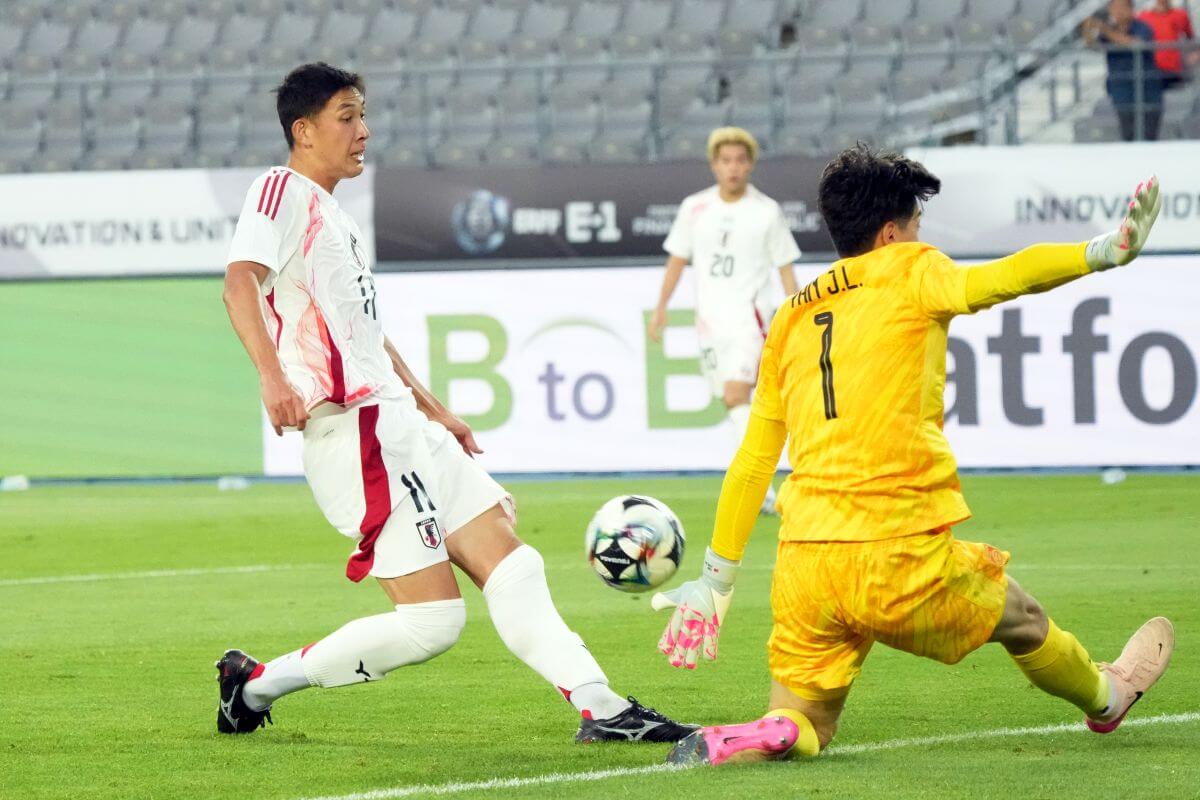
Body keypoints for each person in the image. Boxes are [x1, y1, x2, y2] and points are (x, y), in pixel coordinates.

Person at [217, 62, 695, 744]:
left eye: (362, 115)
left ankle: (603, 707)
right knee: (433, 623)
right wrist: (271, 377)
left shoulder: (336, 216)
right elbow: (239, 285)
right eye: (346, 116)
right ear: (304, 130)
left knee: (512, 559)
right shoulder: (280, 190)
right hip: (358, 437)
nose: (363, 130)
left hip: (400, 422)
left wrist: (434, 408)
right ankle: (255, 685)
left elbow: (368, 339)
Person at [653, 144, 1174, 766]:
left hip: (806, 564)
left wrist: (717, 580)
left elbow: (752, 462)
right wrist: (1101, 251)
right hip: (895, 550)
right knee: (1024, 618)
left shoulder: (792, 315)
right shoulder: (909, 268)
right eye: (918, 226)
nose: (922, 236)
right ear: (891, 232)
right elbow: (1004, 275)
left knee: (803, 719)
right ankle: (1108, 696)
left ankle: (769, 731)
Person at [649, 127, 801, 515]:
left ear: (750, 164)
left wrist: (798, 316)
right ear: (715, 165)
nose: (733, 168)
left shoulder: (766, 211)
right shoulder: (694, 208)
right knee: (733, 402)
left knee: (737, 394)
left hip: (751, 321)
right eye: (726, 161)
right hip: (710, 324)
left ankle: (760, 488)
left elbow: (785, 269)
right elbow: (677, 260)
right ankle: (760, 479)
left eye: (740, 160)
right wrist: (662, 307)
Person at [1083, 0, 1164, 140]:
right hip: (1122, 90)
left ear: (1131, 9)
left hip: (1148, 90)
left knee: (1150, 135)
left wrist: (1105, 30)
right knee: (1128, 133)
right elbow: (1092, 45)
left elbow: (1135, 43)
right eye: (1114, 7)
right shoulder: (1107, 31)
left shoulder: (1142, 27)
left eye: (1122, 7)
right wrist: (1087, 28)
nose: (1119, 11)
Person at [1137, 0, 1197, 89]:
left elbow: (1192, 39)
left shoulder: (1181, 15)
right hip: (1150, 71)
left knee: (1174, 100)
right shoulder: (1143, 17)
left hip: (1173, 71)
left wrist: (1195, 55)